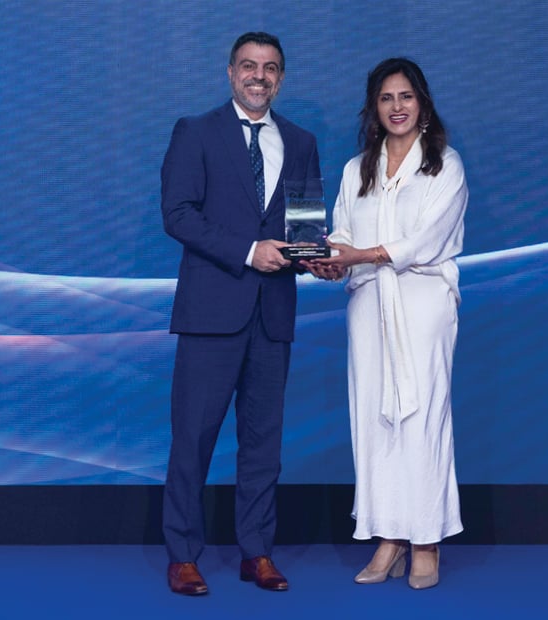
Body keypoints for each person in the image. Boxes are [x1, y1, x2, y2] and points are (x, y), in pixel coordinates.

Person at [159, 31, 321, 596]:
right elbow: (178, 214)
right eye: (249, 66)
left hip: (273, 316)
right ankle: (183, 555)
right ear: (231, 73)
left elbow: (304, 227)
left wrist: (314, 258)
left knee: (263, 443)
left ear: (281, 78)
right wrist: (249, 252)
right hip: (211, 313)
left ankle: (257, 552)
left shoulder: (300, 142)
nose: (259, 76)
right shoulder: (196, 132)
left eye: (270, 67)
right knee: (193, 439)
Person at [307, 57, 467, 590]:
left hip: (422, 304)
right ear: (373, 108)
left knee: (422, 418)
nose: (397, 107)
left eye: (406, 96)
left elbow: (425, 242)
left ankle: (426, 541)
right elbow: (342, 233)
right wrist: (330, 260)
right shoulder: (358, 169)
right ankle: (388, 537)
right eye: (385, 98)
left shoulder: (445, 166)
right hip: (368, 306)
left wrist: (359, 255)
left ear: (423, 103)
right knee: (375, 422)